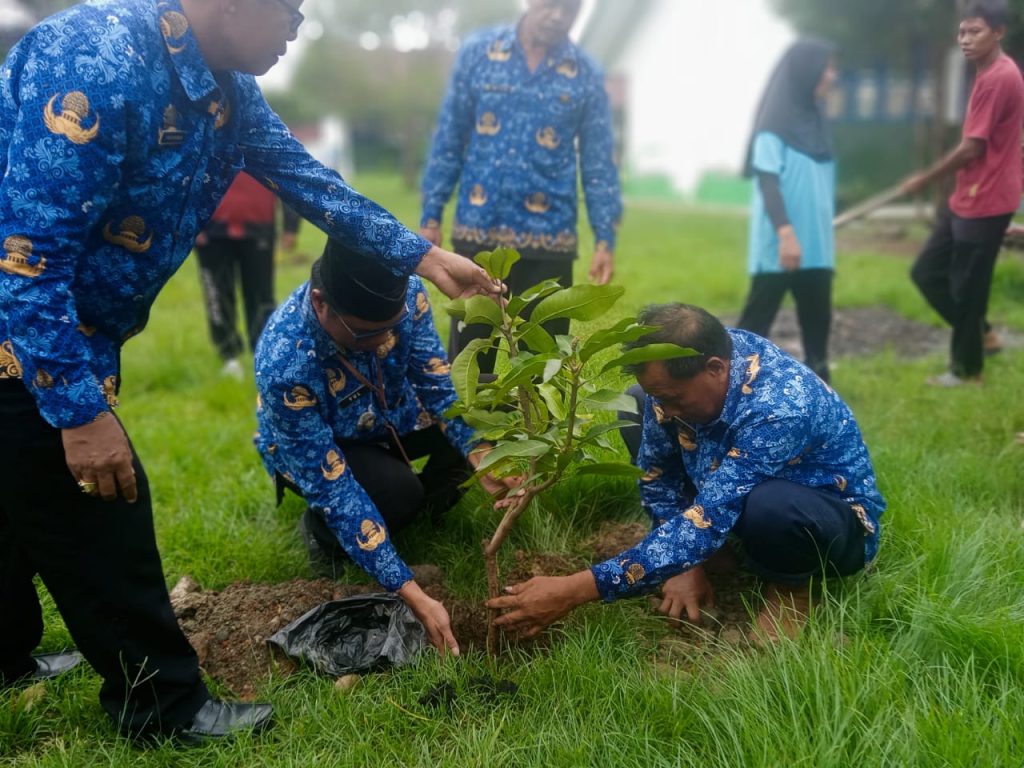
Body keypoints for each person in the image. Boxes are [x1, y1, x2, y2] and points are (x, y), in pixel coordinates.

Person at [0, 0, 499, 744]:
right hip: (25, 332)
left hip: (73, 328)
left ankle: (6, 656)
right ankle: (162, 709)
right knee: (100, 511)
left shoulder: (225, 91)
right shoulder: (98, 60)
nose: (297, 27)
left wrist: (424, 258)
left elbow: (312, 183)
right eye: (290, 11)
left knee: (15, 497)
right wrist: (77, 411)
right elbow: (24, 259)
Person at [487, 304, 885, 642]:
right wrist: (686, 565)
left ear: (715, 368)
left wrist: (574, 590)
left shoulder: (779, 408)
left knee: (771, 507)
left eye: (674, 398)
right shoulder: (699, 366)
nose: (666, 411)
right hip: (725, 484)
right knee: (636, 406)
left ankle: (792, 589)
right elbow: (657, 476)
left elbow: (710, 514)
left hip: (828, 520)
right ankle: (711, 552)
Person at [255, 239, 519, 656]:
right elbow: (333, 487)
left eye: (390, 330)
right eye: (366, 334)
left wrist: (481, 454)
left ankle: (423, 512)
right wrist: (409, 591)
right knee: (396, 494)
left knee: (495, 406)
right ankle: (324, 532)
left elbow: (438, 386)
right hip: (329, 442)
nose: (381, 342)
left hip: (391, 412)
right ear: (321, 303)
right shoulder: (285, 362)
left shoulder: (408, 295)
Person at [419, 0, 623, 371]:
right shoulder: (477, 54)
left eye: (571, 8)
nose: (559, 15)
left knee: (541, 363)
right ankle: (469, 429)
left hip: (550, 240)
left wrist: (605, 237)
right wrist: (432, 212)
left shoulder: (585, 72)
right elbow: (449, 137)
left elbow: (598, 159)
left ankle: (532, 431)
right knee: (471, 356)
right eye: (551, 5)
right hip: (479, 232)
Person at [901, 0, 1024, 387]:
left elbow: (972, 147)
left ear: (998, 32)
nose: (965, 40)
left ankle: (967, 371)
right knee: (926, 272)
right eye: (962, 32)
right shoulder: (986, 72)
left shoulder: (999, 77)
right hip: (968, 197)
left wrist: (925, 178)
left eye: (975, 32)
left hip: (987, 201)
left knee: (968, 289)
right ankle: (981, 334)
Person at [737, 39, 838, 383]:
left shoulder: (818, 122)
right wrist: (786, 233)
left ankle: (821, 395)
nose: (831, 76)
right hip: (780, 244)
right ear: (805, 71)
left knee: (817, 325)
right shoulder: (773, 125)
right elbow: (768, 181)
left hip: (818, 247)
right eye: (826, 68)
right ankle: (735, 388)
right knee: (755, 325)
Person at [195, 171, 301, 380]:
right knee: (216, 293)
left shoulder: (269, 138)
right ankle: (229, 356)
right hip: (211, 229)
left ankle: (262, 355)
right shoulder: (202, 138)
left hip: (258, 227)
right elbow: (187, 176)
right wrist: (191, 223)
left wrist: (291, 225)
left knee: (261, 295)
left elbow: (284, 176)